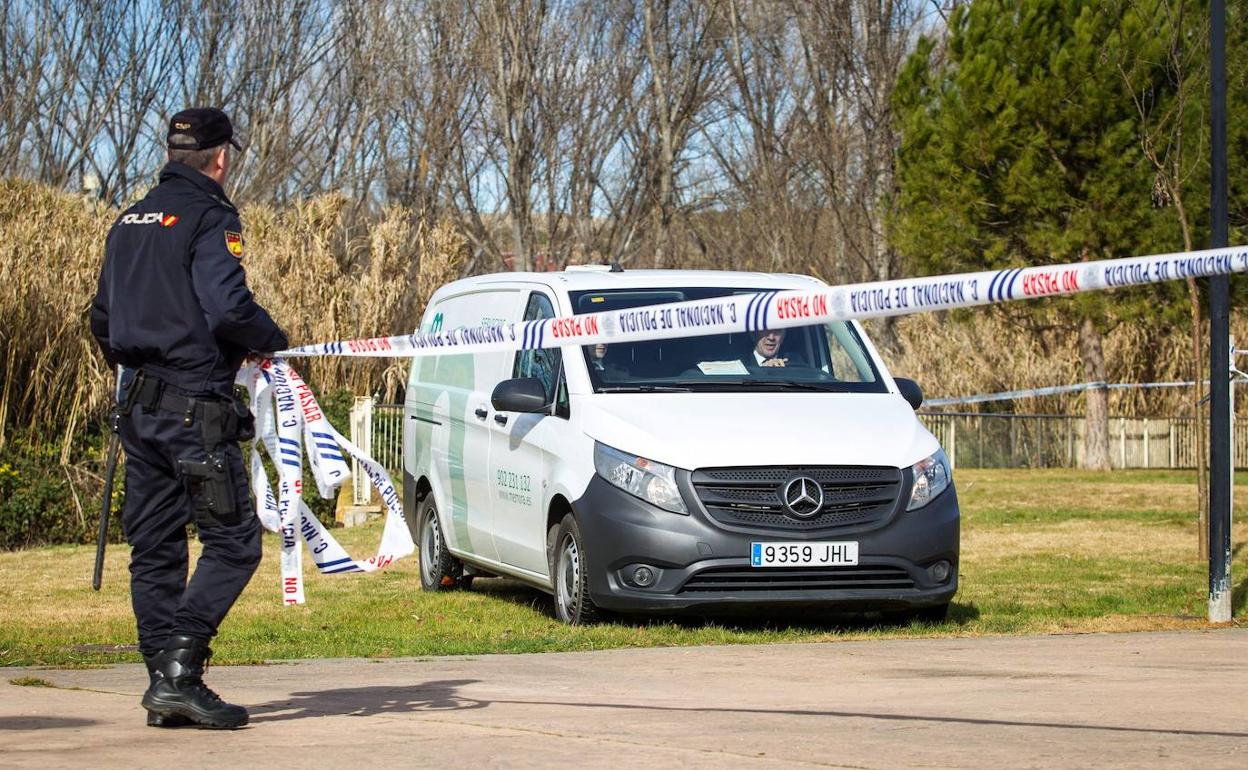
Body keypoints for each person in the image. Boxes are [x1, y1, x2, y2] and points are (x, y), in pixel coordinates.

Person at [90, 107, 288, 730]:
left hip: (138, 406)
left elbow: (101, 317)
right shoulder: (209, 216)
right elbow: (228, 308)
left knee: (155, 548)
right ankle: (179, 672)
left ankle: (162, 683)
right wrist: (270, 339)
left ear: (174, 154)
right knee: (234, 543)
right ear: (221, 158)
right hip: (194, 409)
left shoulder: (129, 219)